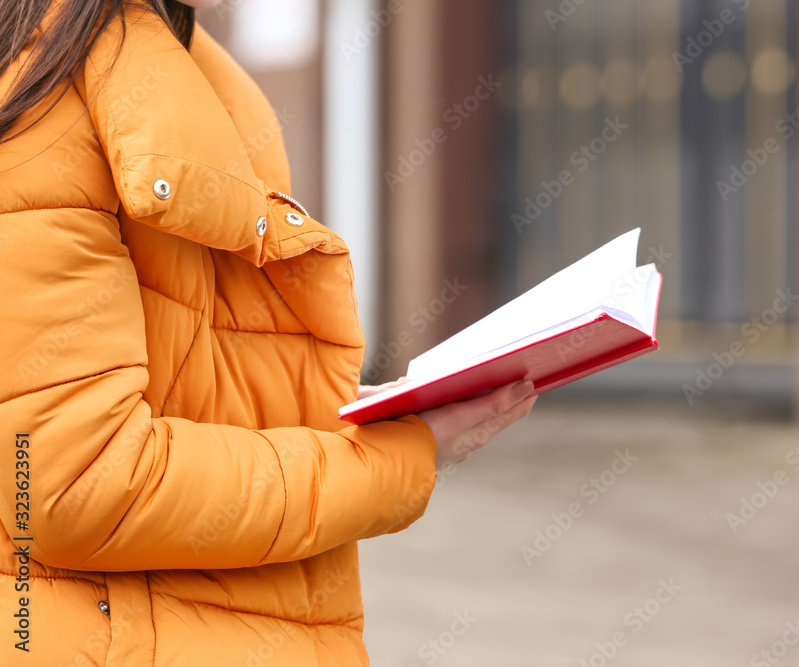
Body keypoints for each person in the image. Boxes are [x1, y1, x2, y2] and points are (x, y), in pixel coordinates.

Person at [0, 1, 537, 664]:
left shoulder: (169, 53)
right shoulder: (39, 95)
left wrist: (384, 421)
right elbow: (79, 487)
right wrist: (394, 457)